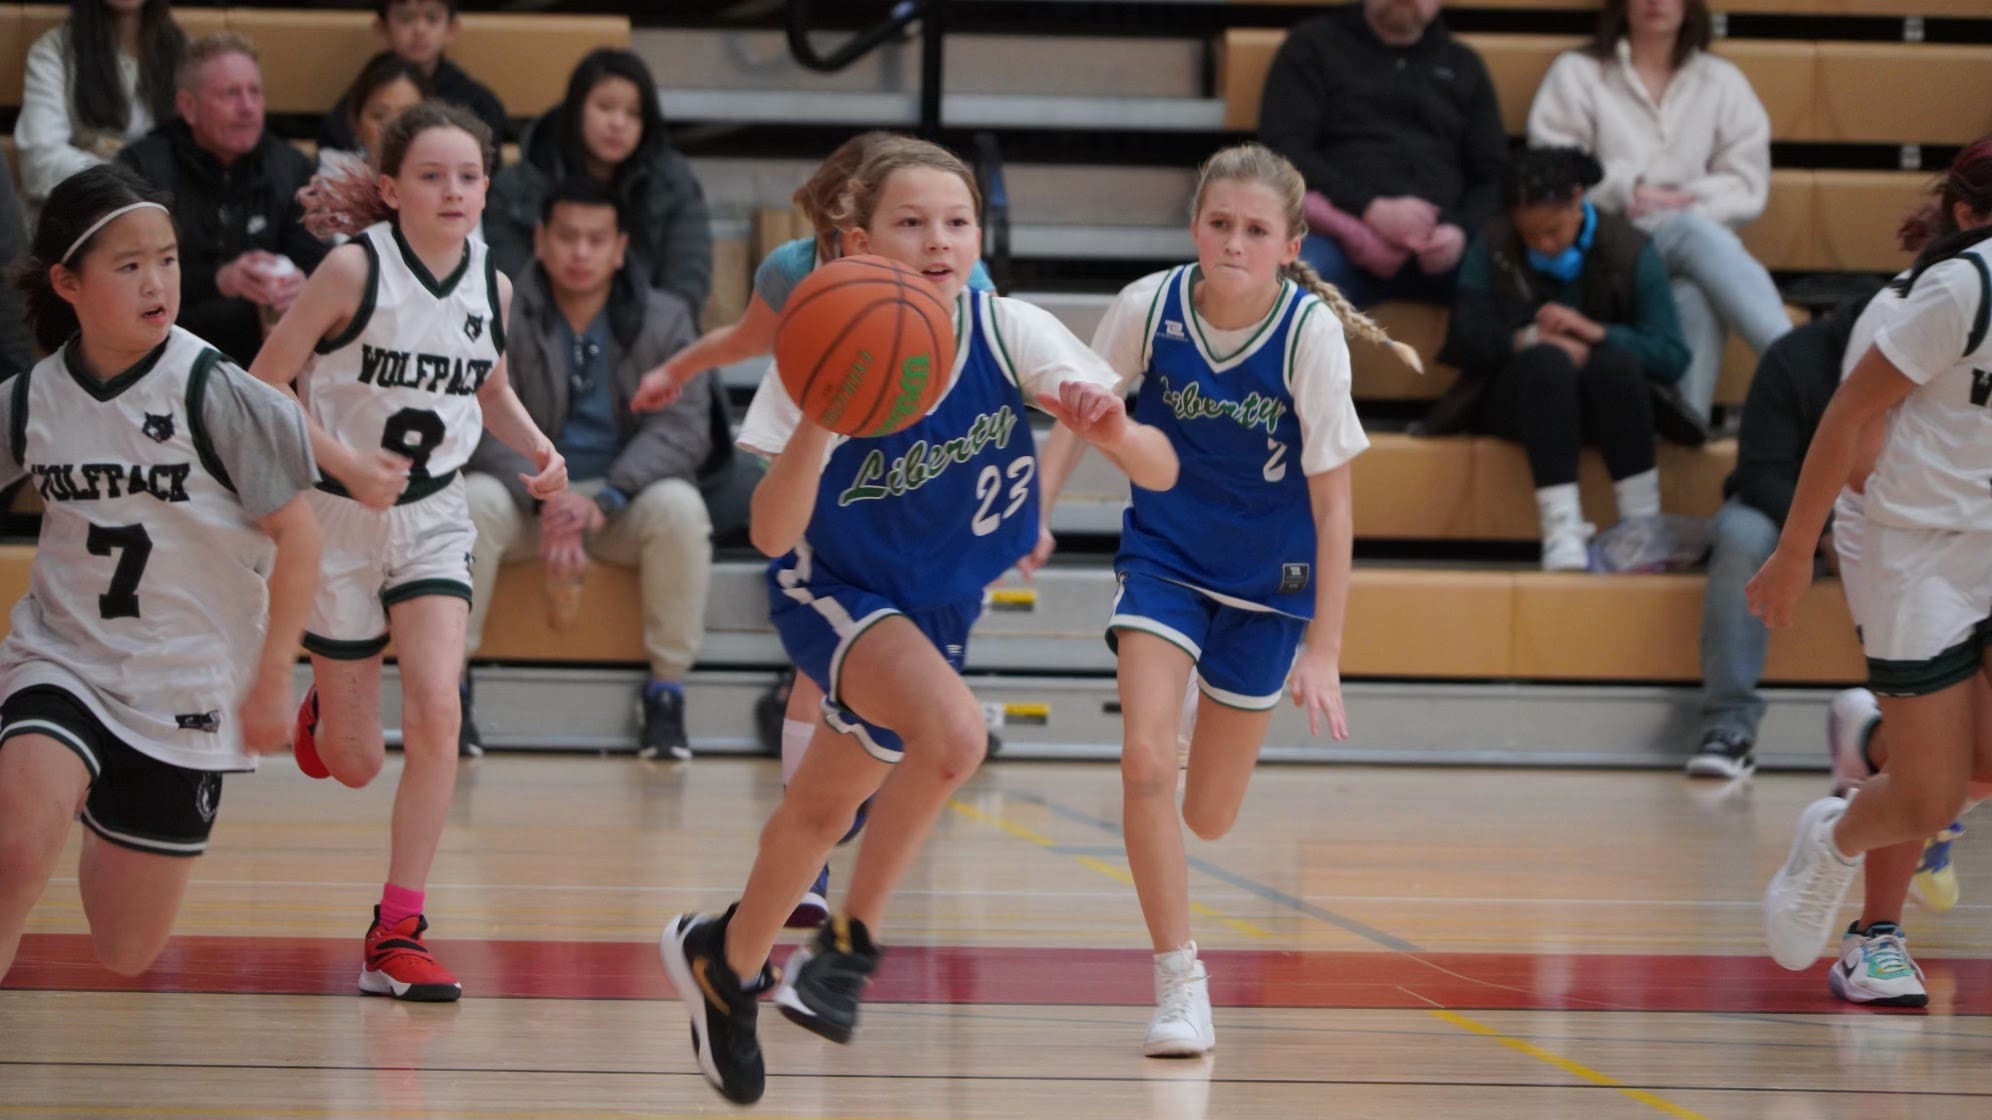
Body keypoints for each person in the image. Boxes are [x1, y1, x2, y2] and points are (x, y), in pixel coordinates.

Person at [655, 138, 1179, 1105]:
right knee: (955, 734)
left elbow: (1160, 469)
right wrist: (822, 414)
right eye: (911, 222)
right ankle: (846, 950)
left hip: (937, 601)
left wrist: (1112, 431)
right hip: (835, 586)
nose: (939, 240)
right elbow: (769, 532)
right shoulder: (818, 341)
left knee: (823, 810)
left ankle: (721, 963)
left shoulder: (1008, 328)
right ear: (857, 241)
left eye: (957, 222)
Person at [1032, 143, 1372, 1055]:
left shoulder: (1310, 336)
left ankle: (1190, 695)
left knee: (1209, 815)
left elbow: (1335, 506)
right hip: (1167, 559)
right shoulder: (1149, 306)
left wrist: (1325, 649)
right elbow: (1080, 412)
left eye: (1255, 230)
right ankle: (1181, 979)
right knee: (1144, 763)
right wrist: (1037, 511)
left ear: (1291, 246)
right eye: (1219, 223)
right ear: (1194, 228)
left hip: (1269, 587)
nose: (1233, 242)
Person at [632, 129, 1000, 925]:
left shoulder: (968, 280)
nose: (921, 238)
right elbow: (744, 342)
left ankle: (824, 828)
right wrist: (679, 370)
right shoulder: (796, 272)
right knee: (819, 668)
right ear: (841, 224)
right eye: (848, 227)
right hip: (827, 474)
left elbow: (986, 385)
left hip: (914, 491)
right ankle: (810, 874)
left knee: (890, 713)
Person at [253, 102, 567, 1002]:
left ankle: (397, 933)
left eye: (470, 176)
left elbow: (492, 386)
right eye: (432, 175)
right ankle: (326, 710)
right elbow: (262, 381)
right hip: (340, 520)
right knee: (354, 764)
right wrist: (346, 460)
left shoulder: (493, 285)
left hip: (434, 517)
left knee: (437, 709)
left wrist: (537, 447)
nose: (455, 191)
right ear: (391, 189)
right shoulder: (353, 268)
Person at [0, 163, 320, 980]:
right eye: (129, 264)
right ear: (68, 282)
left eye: (168, 259)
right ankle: (56, 786)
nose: (158, 282)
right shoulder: (33, 399)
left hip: (187, 685)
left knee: (125, 948)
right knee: (11, 857)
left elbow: (301, 537)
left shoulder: (215, 389)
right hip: (61, 660)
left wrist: (275, 675)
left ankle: (96, 803)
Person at [1748, 156, 1992, 978]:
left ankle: (1878, 744)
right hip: (1913, 542)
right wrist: (1790, 554)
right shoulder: (1955, 292)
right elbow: (1850, 422)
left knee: (1972, 768)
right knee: (1930, 792)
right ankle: (1840, 841)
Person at [463, 176, 711, 761]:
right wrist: (548, 497)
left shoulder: (666, 319)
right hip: (527, 495)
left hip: (618, 504)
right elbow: (474, 415)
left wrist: (604, 500)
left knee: (681, 509)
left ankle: (667, 694)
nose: (580, 252)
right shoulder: (500, 310)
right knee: (471, 499)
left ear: (620, 247)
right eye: (567, 237)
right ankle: (451, 689)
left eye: (596, 239)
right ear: (541, 241)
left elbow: (684, 427)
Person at [1527, 0, 1790, 424]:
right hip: (1605, 248)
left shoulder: (1722, 81)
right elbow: (1553, 166)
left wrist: (1684, 198)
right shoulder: (1577, 72)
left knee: (1697, 290)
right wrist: (1628, 188)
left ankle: (1682, 424)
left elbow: (1748, 183)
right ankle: (1794, 359)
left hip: (1691, 243)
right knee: (1692, 233)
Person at [1436, 147, 1689, 571]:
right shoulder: (1495, 243)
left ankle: (1642, 526)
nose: (1543, 245)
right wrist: (1529, 339)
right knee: (1548, 365)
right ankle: (1562, 531)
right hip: (1521, 400)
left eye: (1552, 232)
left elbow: (1671, 354)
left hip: (1609, 402)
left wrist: (1599, 335)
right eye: (1530, 236)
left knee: (1615, 363)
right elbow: (1463, 338)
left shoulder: (1629, 248)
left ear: (1577, 200)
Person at [1256, 0, 1507, 307]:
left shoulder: (1463, 63)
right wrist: (1368, 209)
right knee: (1296, 278)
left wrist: (1460, 230)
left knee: (1512, 279)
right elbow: (1284, 153)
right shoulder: (1312, 46)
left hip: (1444, 245)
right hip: (1337, 237)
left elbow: (1493, 175)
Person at [117, 32, 328, 368]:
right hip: (164, 357)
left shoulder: (292, 167)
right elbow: (126, 280)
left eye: (254, 92)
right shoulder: (142, 168)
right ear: (189, 106)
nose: (247, 107)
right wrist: (220, 279)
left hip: (265, 364)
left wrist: (303, 284)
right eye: (230, 93)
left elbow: (320, 262)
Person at [485, 49, 711, 316]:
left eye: (634, 114)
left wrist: (645, 339)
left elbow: (686, 282)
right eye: (605, 108)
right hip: (542, 339)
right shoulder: (517, 187)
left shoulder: (673, 182)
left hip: (649, 339)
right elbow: (513, 288)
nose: (618, 123)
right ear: (576, 109)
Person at [17, 0, 185, 221]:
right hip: (79, 219)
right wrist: (132, 180)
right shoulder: (55, 51)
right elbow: (40, 163)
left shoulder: (183, 53)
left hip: (164, 221)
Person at [317, 0, 507, 153]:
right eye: (405, 18)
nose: (419, 30)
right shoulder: (362, 96)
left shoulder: (477, 103)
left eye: (432, 18)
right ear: (382, 27)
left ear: (452, 28)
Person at [319, 53, 432, 176]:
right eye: (379, 116)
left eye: (407, 116)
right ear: (356, 122)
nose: (392, 127)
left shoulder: (446, 177)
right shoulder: (336, 172)